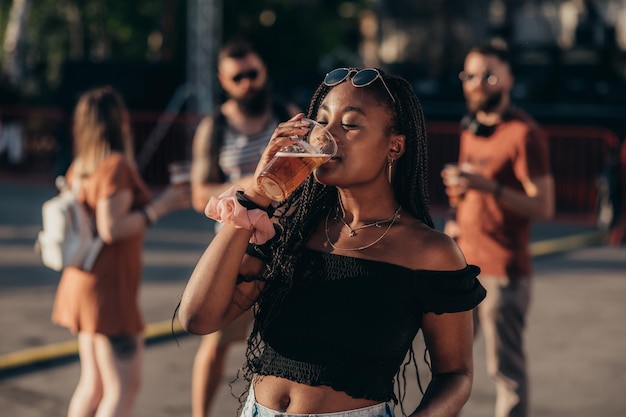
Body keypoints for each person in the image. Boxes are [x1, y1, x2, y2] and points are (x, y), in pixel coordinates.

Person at [178, 66, 487, 417]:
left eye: (350, 124)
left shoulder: (431, 252)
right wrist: (255, 194)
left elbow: (456, 373)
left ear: (395, 145)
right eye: (322, 121)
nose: (327, 135)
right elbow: (197, 317)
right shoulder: (290, 226)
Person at [51, 86, 191, 417]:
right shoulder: (114, 166)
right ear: (119, 121)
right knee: (123, 390)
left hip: (83, 282)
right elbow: (112, 228)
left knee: (92, 384)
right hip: (108, 291)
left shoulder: (82, 165)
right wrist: (161, 207)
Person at [441, 42, 555, 417]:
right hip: (463, 266)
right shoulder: (470, 130)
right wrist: (459, 200)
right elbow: (469, 196)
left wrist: (488, 187)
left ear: (508, 80)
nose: (478, 83)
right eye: (470, 75)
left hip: (503, 273)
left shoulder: (524, 134)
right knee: (449, 370)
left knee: (505, 373)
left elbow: (544, 205)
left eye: (489, 75)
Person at [188, 36, 300, 417]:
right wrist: (251, 186)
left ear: (264, 70)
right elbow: (199, 192)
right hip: (235, 254)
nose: (249, 82)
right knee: (215, 342)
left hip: (286, 251)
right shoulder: (214, 127)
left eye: (253, 73)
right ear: (223, 80)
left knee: (287, 343)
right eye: (239, 77)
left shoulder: (286, 114)